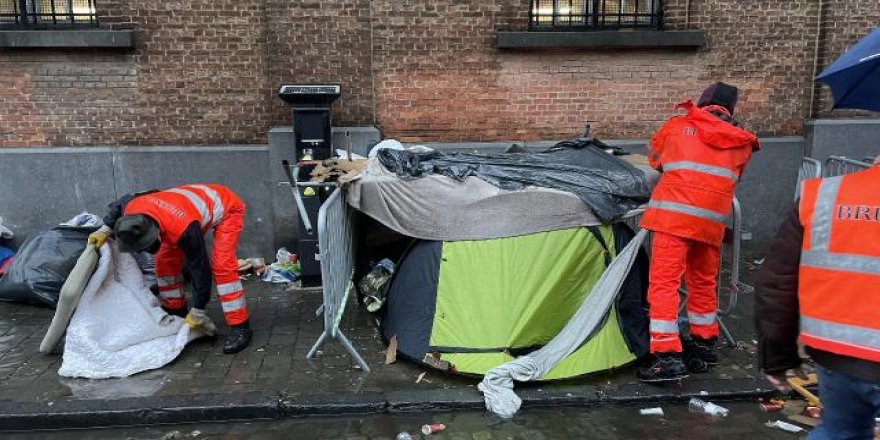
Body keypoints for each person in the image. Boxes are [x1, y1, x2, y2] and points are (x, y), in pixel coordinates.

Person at [637, 83, 760, 382]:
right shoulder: (741, 141)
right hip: (710, 222)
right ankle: (704, 344)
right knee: (703, 282)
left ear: (703, 103)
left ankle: (667, 356)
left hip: (672, 218)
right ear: (730, 109)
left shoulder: (676, 127)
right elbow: (734, 177)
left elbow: (655, 159)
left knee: (664, 284)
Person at [756, 156, 880, 439]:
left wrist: (778, 357)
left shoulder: (823, 195)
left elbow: (776, 283)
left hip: (839, 356)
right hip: (840, 357)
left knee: (839, 432)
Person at [88, 184, 253, 354]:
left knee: (223, 266)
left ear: (155, 232)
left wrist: (198, 309)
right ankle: (176, 311)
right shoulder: (130, 208)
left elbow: (200, 270)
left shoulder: (185, 229)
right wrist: (104, 229)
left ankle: (241, 327)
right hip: (180, 208)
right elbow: (119, 203)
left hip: (226, 206)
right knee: (164, 263)